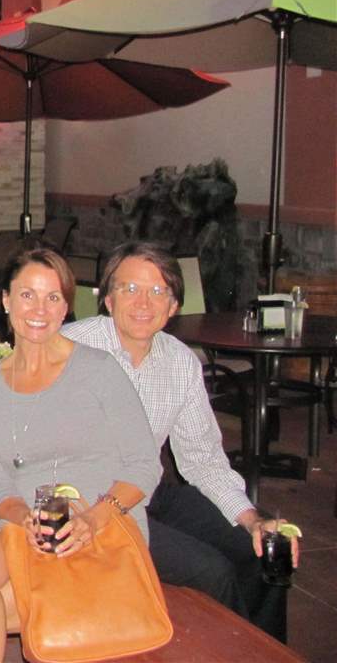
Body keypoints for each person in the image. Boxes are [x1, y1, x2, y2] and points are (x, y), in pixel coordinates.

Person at [61, 240, 299, 641]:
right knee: (212, 571)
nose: (143, 302)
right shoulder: (69, 348)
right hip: (92, 506)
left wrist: (252, 519)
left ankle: (269, 651)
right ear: (108, 299)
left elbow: (203, 459)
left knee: (263, 550)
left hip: (150, 493)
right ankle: (232, 650)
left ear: (173, 307)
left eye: (158, 291)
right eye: (130, 288)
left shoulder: (180, 362)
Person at [0, 241, 161, 662]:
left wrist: (90, 520)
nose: (39, 309)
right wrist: (22, 517)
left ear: (66, 308)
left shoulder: (98, 369)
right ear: (6, 300)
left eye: (53, 298)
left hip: (101, 526)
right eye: (27, 294)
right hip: (27, 528)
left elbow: (145, 466)